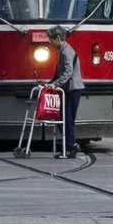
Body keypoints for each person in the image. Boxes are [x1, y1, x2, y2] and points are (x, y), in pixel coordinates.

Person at [48, 23, 86, 159]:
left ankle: (70, 148)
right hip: (70, 89)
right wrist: (50, 83)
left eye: (51, 40)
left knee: (66, 119)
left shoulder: (66, 51)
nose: (50, 43)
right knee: (63, 118)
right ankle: (72, 144)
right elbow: (59, 71)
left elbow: (68, 71)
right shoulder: (63, 50)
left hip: (72, 89)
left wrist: (55, 84)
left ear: (57, 38)